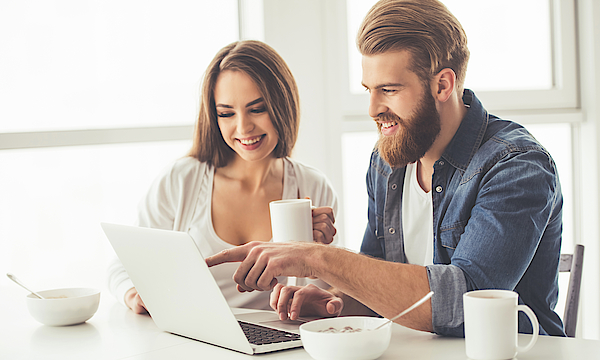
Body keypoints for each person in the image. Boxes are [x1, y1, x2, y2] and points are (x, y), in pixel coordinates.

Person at [206, 0, 565, 337]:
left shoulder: (517, 166)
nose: (373, 108)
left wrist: (316, 258)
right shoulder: (388, 162)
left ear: (443, 84)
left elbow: (465, 304)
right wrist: (336, 303)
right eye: (369, 90)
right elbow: (377, 287)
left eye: (389, 90)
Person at [108, 40, 338, 314]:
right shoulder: (183, 180)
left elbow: (325, 299)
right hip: (196, 338)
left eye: (257, 109)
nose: (243, 127)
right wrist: (135, 295)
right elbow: (123, 265)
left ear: (282, 104)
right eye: (226, 113)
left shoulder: (312, 186)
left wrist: (319, 257)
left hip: (277, 342)